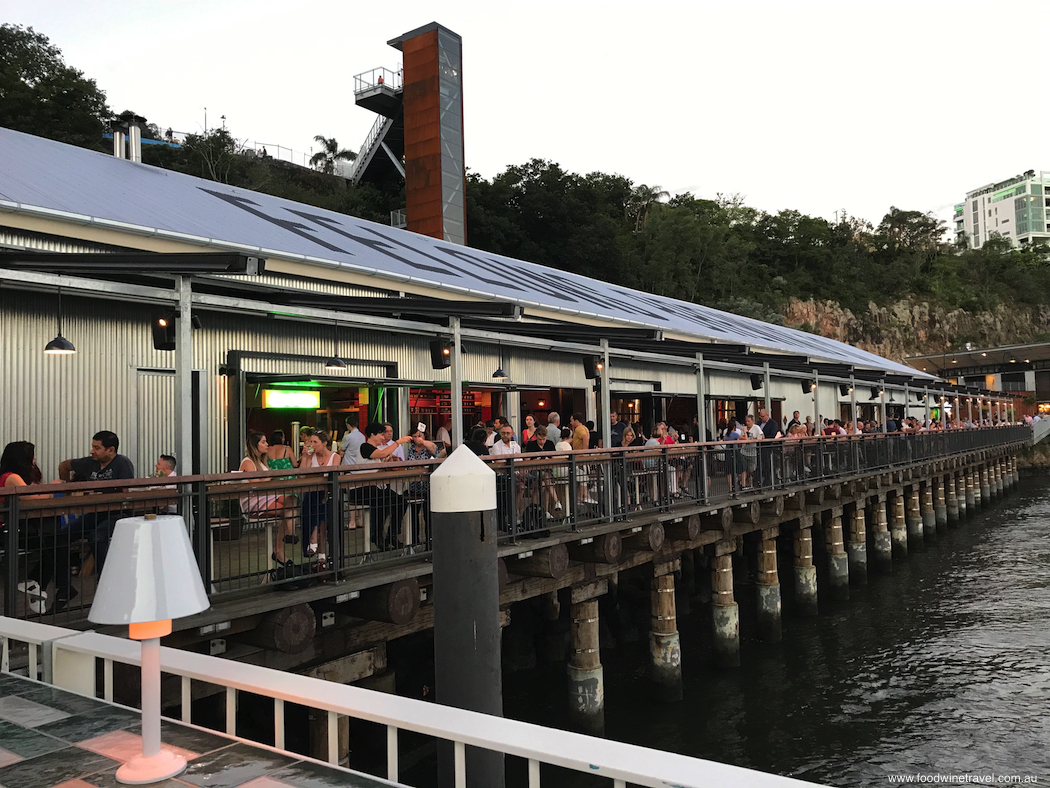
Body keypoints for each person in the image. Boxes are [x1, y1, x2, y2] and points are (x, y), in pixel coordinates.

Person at [2, 442, 54, 613]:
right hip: (8, 528)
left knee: (55, 544)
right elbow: (33, 498)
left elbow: (37, 492)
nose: (35, 457)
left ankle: (36, 587)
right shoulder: (12, 477)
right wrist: (54, 488)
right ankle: (34, 584)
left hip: (22, 525)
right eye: (33, 454)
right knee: (53, 546)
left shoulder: (21, 475)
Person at [239, 432, 297, 567]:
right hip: (253, 498)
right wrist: (270, 477)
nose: (267, 445)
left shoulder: (261, 461)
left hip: (265, 495)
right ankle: (280, 548)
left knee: (292, 500)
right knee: (286, 510)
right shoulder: (248, 462)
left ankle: (289, 534)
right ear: (255, 445)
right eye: (263, 442)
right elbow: (255, 483)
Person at [299, 429, 339, 564]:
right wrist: (304, 457)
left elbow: (333, 476)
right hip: (314, 493)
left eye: (315, 442)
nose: (312, 445)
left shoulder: (335, 457)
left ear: (324, 443)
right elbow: (302, 475)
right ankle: (320, 550)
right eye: (311, 442)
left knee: (321, 512)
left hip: (327, 493)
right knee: (317, 508)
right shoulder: (311, 456)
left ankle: (315, 540)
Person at [404, 426, 439, 548]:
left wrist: (423, 442)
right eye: (414, 436)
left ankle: (430, 542)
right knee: (413, 516)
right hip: (414, 486)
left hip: (428, 487)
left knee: (428, 516)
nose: (417, 438)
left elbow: (434, 449)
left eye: (419, 435)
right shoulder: (411, 449)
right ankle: (414, 542)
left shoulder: (428, 447)